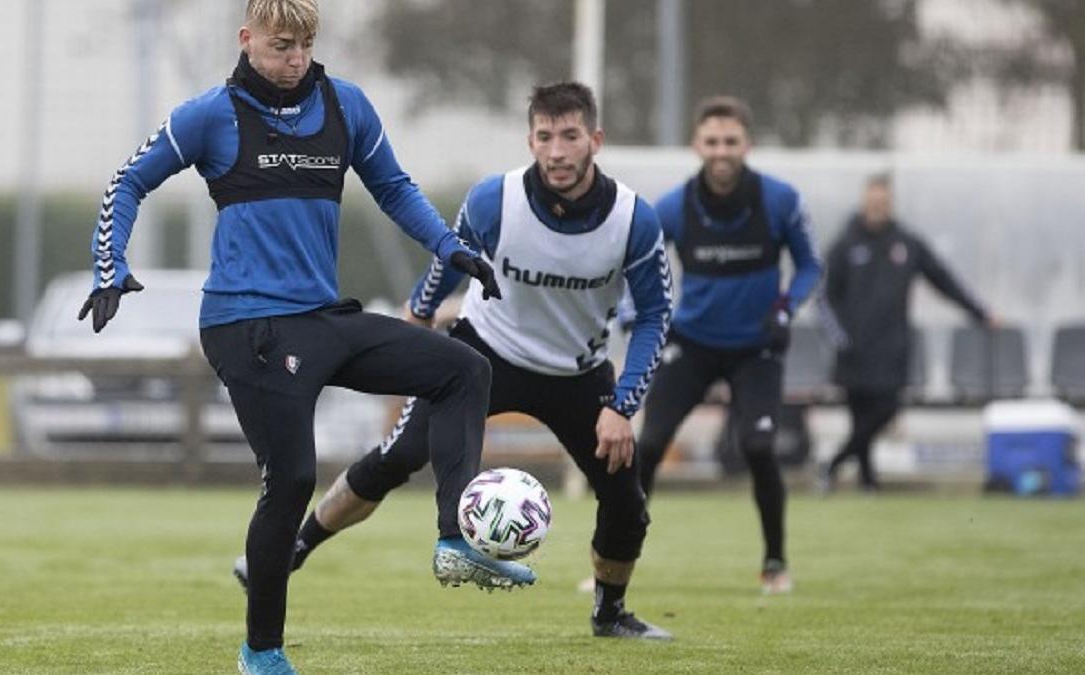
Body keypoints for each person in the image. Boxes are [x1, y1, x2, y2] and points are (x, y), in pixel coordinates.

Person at [75, 2, 518, 672]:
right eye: (282, 46)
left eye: (305, 47)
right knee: (293, 480)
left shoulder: (347, 107)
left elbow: (394, 187)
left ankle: (456, 536)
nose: (295, 60)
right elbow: (126, 181)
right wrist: (112, 265)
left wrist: (451, 249)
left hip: (322, 317)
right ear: (246, 39)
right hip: (243, 323)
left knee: (463, 369)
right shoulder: (210, 116)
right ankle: (261, 652)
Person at [234, 81, 675, 639]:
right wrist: (417, 317)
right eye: (545, 136)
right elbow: (448, 261)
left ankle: (610, 615)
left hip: (579, 375)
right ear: (530, 140)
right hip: (485, 353)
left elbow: (657, 316)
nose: (558, 151)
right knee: (397, 458)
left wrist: (623, 404)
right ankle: (294, 548)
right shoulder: (495, 200)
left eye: (570, 136)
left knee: (626, 502)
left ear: (596, 140)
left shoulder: (635, 219)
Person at [635, 96, 823, 595]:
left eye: (731, 142)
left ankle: (775, 562)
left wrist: (786, 306)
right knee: (647, 446)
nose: (721, 151)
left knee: (759, 447)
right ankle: (612, 561)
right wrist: (640, 315)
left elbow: (809, 266)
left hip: (755, 348)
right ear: (697, 144)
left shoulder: (780, 200)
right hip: (691, 344)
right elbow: (639, 266)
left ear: (747, 144)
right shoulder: (672, 207)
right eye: (712, 141)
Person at [819, 174, 996, 493]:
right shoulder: (844, 245)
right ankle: (868, 483)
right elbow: (824, 299)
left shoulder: (906, 243)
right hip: (853, 350)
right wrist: (839, 338)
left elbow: (942, 279)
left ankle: (833, 464)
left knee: (886, 409)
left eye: (883, 201)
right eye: (872, 200)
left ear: (890, 203)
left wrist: (980, 312)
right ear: (863, 201)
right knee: (859, 419)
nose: (877, 206)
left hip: (892, 347)